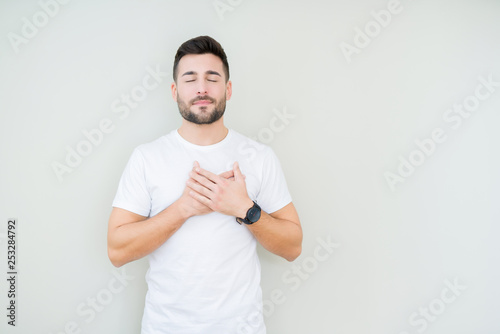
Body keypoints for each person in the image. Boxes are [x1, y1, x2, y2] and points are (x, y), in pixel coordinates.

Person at [107, 35, 302, 334]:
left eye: (212, 78)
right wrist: (183, 208)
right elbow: (117, 251)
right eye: (190, 79)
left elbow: (293, 246)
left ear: (228, 89)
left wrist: (245, 209)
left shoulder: (260, 157)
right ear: (174, 91)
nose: (201, 88)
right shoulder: (146, 158)